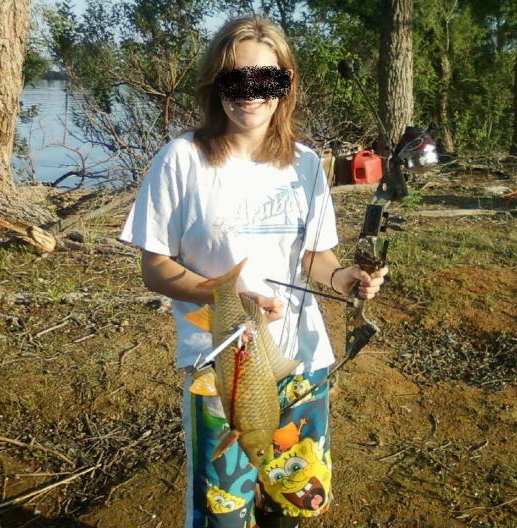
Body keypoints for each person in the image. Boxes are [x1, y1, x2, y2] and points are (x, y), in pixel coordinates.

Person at [120, 16, 387, 528]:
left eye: (266, 79)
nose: (250, 94)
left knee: (294, 501)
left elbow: (315, 257)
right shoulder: (182, 160)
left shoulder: (306, 165)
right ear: (214, 83)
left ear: (286, 85)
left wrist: (344, 279)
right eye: (235, 79)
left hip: (300, 363)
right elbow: (154, 268)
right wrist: (227, 296)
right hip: (224, 370)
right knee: (223, 512)